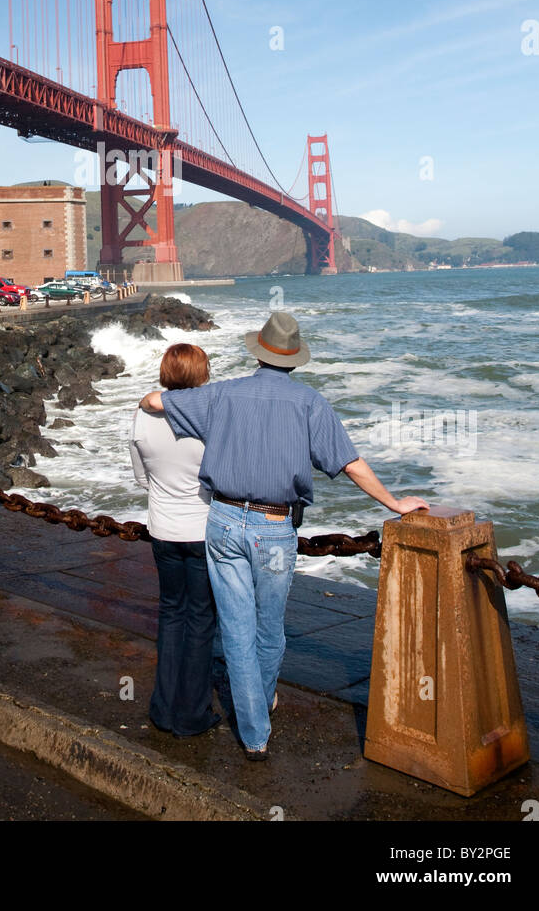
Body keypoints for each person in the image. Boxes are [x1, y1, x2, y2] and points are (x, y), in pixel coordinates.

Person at [139, 309, 428, 761]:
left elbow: (156, 402)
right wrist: (394, 503)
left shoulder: (223, 395)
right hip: (274, 528)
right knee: (269, 629)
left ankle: (254, 733)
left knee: (235, 628)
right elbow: (349, 463)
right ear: (295, 360)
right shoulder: (310, 403)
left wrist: (146, 399)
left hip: (222, 522)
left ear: (258, 353)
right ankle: (261, 704)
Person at [130, 343, 221, 738]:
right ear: (201, 375)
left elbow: (139, 475)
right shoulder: (210, 418)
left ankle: (163, 708)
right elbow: (222, 476)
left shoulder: (142, 415)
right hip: (202, 532)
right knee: (201, 621)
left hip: (162, 531)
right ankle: (192, 714)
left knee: (171, 616)